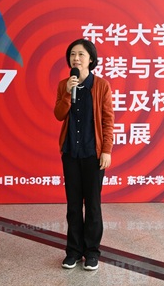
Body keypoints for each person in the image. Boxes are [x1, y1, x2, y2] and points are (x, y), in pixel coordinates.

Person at [53, 38, 114, 271]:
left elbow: (108, 121)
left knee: (93, 205)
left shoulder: (101, 86)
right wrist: (67, 93)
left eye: (80, 54)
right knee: (73, 205)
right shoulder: (64, 84)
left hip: (93, 154)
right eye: (72, 54)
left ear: (91, 59)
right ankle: (73, 251)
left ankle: (92, 252)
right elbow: (59, 114)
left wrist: (106, 150)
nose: (76, 58)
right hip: (71, 153)